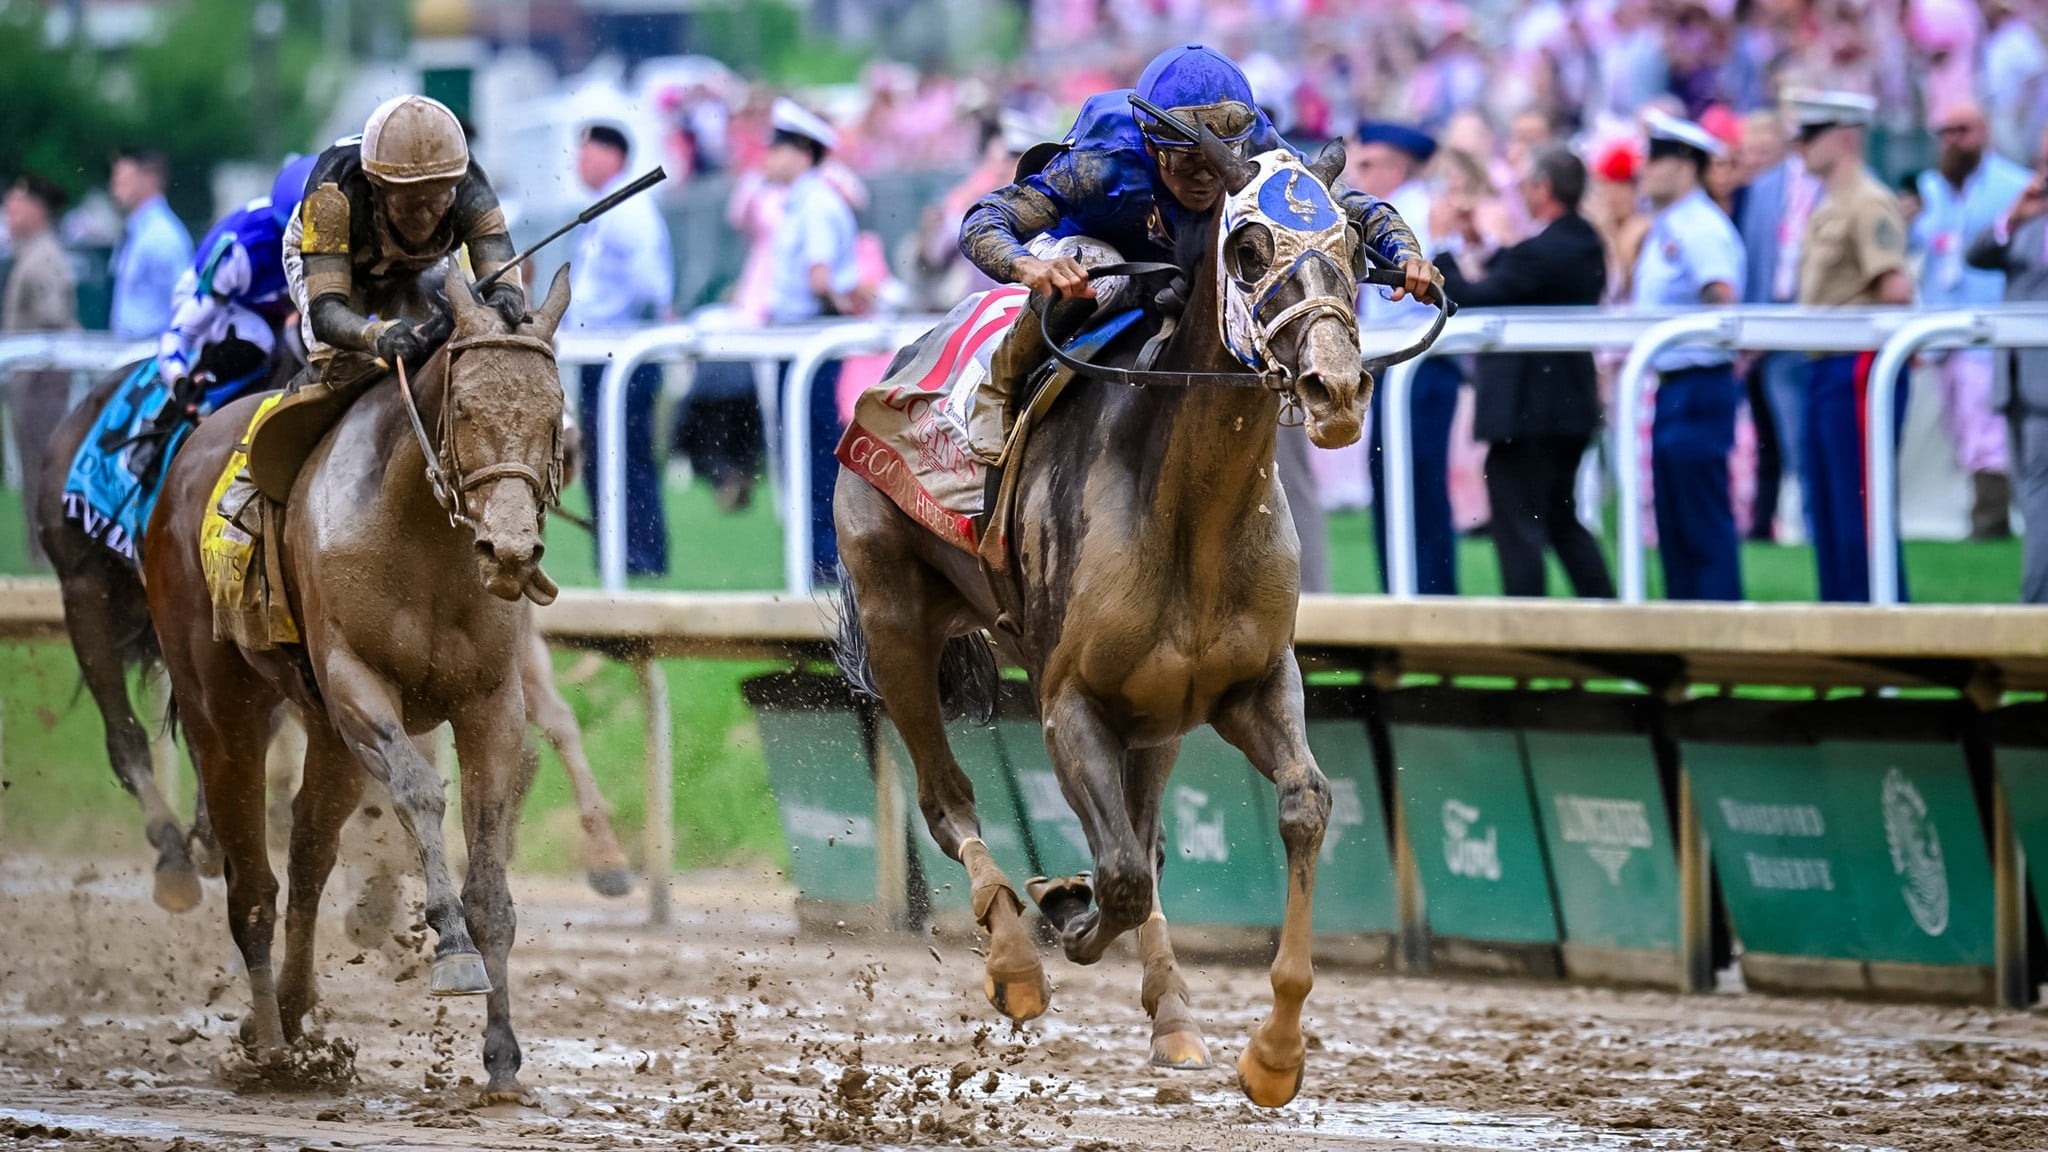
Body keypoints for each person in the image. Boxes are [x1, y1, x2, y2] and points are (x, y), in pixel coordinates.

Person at [957, 43, 1436, 470]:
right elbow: (983, 220)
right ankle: (1002, 384)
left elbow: (1349, 204)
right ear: (1149, 145)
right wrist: (1028, 265)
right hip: (1087, 252)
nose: (1206, 176)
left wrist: (1407, 253)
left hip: (1182, 251)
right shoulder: (1100, 163)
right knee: (1102, 273)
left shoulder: (1258, 143)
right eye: (1187, 159)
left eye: (1219, 158)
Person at [251, 93, 523, 501]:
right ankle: (265, 492)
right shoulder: (333, 192)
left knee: (457, 345)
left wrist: (506, 297)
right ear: (376, 186)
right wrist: (375, 337)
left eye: (440, 197)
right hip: (333, 264)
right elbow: (328, 313)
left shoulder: (468, 183)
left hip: (415, 267)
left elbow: (501, 270)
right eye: (411, 200)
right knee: (341, 368)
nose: (428, 213)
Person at [1434, 146, 1614, 599]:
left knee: (1518, 522)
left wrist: (1441, 252)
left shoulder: (1548, 249)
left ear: (1544, 188)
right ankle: (1614, 625)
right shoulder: (1581, 242)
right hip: (1565, 410)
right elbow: (1518, 276)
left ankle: (1526, 629)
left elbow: (1474, 297)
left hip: (1530, 416)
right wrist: (1485, 247)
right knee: (1558, 516)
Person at [1790, 88, 1913, 603]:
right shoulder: (1832, 203)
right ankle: (1844, 627)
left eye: (1813, 136)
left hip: (1857, 366)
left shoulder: (1867, 201)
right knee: (1829, 506)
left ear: (1844, 137)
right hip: (1827, 367)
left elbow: (1895, 289)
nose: (1802, 147)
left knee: (1857, 507)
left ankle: (1883, 632)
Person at [1633, 111, 1748, 602]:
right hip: (1677, 383)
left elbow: (1723, 294)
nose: (1646, 169)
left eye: (1656, 159)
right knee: (1676, 520)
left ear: (1684, 164)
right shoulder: (1674, 224)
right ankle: (1686, 633)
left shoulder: (1699, 226)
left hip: (1700, 382)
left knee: (1700, 516)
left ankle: (1721, 633)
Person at [1915, 102, 2030, 540]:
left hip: (1988, 327)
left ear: (1984, 132)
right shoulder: (1929, 189)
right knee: (1959, 425)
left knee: (1985, 426)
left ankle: (1991, 518)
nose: (1953, 140)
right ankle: (1985, 509)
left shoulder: (2013, 185)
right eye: (1945, 132)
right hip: (1940, 329)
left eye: (1962, 130)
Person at [762, 98, 865, 584]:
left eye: (776, 147)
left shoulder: (818, 204)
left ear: (802, 151)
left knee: (816, 452)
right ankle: (817, 554)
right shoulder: (803, 201)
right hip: (797, 338)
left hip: (810, 340)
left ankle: (826, 556)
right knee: (805, 450)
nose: (767, 156)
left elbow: (822, 281)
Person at [566, 123, 676, 577]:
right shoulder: (606, 208)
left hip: (624, 354)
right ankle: (619, 553)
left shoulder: (629, 209)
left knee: (627, 458)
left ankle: (641, 557)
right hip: (601, 354)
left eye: (587, 152)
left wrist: (622, 320)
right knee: (607, 458)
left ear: (613, 156)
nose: (579, 163)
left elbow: (653, 285)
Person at [1355, 119, 1460, 595]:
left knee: (1417, 484)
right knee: (1391, 477)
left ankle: (1429, 596)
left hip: (1421, 363)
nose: (1356, 171)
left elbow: (1450, 283)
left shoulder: (1424, 209)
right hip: (1391, 362)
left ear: (1397, 166)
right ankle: (1403, 591)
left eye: (1368, 163)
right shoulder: (1388, 212)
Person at [1967, 129, 2048, 603]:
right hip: (2016, 381)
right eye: (2041, 161)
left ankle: (2035, 605)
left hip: (2044, 387)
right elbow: (1975, 254)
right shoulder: (2029, 217)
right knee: (2030, 496)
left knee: (2038, 496)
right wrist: (2011, 218)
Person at [1737, 108, 1821, 546]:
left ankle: (1808, 523)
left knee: (1800, 436)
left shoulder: (1829, 187)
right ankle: (1765, 522)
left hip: (1808, 324)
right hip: (1766, 324)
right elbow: (1752, 260)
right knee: (1769, 436)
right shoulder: (1760, 191)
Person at [2, 173, 79, 567]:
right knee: (31, 470)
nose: (9, 212)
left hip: (43, 381)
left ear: (37, 209)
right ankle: (40, 556)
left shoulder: (43, 257)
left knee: (44, 468)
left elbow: (55, 320)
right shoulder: (30, 253)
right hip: (30, 380)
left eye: (16, 204)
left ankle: (48, 556)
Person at [107, 149, 194, 340]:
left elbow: (183, 307)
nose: (115, 188)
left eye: (123, 179)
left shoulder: (162, 236)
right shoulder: (139, 230)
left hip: (151, 358)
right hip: (132, 355)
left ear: (149, 179)